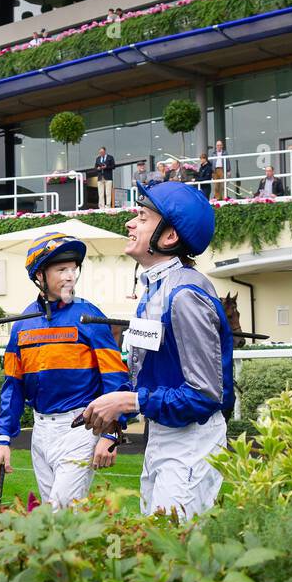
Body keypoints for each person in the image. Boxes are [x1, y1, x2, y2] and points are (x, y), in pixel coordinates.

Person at [79, 181, 234, 520]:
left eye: (142, 217)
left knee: (172, 556)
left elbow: (205, 395)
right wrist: (120, 414)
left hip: (191, 442)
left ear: (169, 237)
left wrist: (129, 402)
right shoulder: (156, 288)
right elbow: (150, 371)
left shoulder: (185, 296)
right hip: (164, 437)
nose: (130, 223)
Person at [0, 233, 130, 509]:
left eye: (73, 268)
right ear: (39, 276)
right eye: (61, 269)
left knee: (60, 512)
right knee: (56, 524)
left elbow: (115, 378)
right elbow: (13, 385)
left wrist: (111, 432)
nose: (70, 276)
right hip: (41, 433)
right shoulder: (22, 325)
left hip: (80, 429)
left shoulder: (89, 316)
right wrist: (3, 439)